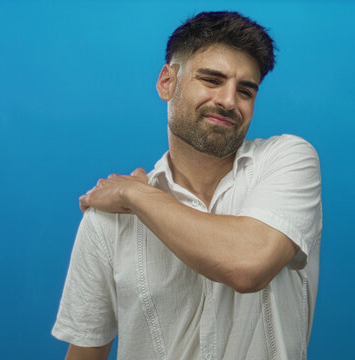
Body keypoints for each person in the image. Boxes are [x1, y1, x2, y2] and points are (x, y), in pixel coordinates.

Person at [52, 11, 322, 360]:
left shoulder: (288, 159)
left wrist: (135, 194)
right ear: (167, 82)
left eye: (245, 90)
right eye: (211, 80)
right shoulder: (107, 220)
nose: (228, 101)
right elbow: (86, 351)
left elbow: (249, 263)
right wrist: (133, 199)